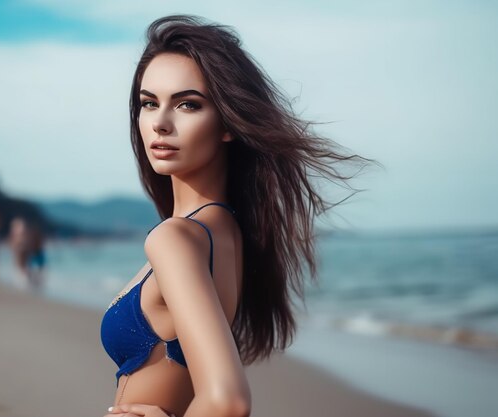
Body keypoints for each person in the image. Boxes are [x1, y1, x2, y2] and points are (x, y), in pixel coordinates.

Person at [100, 16, 371, 417]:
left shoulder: (176, 238)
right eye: (148, 103)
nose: (160, 122)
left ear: (227, 122)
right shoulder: (225, 232)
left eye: (187, 104)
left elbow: (228, 401)